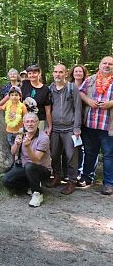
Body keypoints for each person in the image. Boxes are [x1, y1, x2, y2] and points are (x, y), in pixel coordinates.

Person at [78, 56, 113, 195]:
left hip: (108, 126)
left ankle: (109, 183)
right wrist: (88, 100)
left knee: (109, 155)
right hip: (90, 124)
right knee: (90, 152)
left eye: (110, 64)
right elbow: (80, 92)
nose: (107, 65)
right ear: (100, 65)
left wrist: (111, 103)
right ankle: (87, 178)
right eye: (104, 63)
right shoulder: (91, 79)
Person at [2, 113, 52, 207]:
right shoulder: (22, 134)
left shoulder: (44, 138)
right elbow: (13, 152)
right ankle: (30, 184)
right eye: (27, 122)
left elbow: (36, 159)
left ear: (37, 123)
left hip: (41, 169)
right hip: (24, 167)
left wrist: (28, 147)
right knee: (6, 180)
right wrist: (16, 144)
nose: (30, 124)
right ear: (24, 124)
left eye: (32, 121)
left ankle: (37, 193)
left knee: (30, 166)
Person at [47, 64, 81, 195]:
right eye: (55, 72)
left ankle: (71, 182)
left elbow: (77, 109)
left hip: (69, 129)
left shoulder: (72, 88)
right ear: (53, 73)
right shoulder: (50, 89)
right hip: (54, 128)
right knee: (54, 155)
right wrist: (47, 127)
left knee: (71, 156)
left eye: (61, 72)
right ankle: (57, 177)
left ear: (66, 74)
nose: (58, 74)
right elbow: (47, 110)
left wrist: (76, 128)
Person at [0, 86, 27, 166]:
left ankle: (19, 164)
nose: (14, 97)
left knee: (19, 148)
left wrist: (24, 130)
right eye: (12, 95)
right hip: (9, 131)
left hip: (19, 132)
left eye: (16, 95)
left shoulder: (22, 106)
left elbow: (26, 118)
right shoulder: (8, 103)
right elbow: (2, 107)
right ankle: (12, 164)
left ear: (20, 96)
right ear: (9, 96)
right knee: (11, 147)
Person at [67, 64, 89, 179]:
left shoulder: (88, 86)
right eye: (76, 71)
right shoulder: (68, 86)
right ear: (72, 73)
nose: (78, 73)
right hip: (71, 121)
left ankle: (80, 172)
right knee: (71, 146)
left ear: (84, 74)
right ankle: (69, 172)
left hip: (85, 120)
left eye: (80, 71)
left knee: (82, 147)